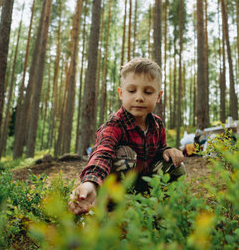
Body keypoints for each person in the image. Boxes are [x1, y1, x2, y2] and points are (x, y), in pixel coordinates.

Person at [68, 58, 186, 215]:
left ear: (158, 96)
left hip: (143, 185)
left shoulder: (157, 124)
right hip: (114, 188)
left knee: (176, 165)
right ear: (121, 93)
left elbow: (159, 152)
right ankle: (105, 203)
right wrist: (90, 182)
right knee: (126, 155)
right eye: (131, 91)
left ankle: (157, 208)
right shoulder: (115, 124)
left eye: (148, 92)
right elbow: (103, 153)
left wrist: (167, 151)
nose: (139, 97)